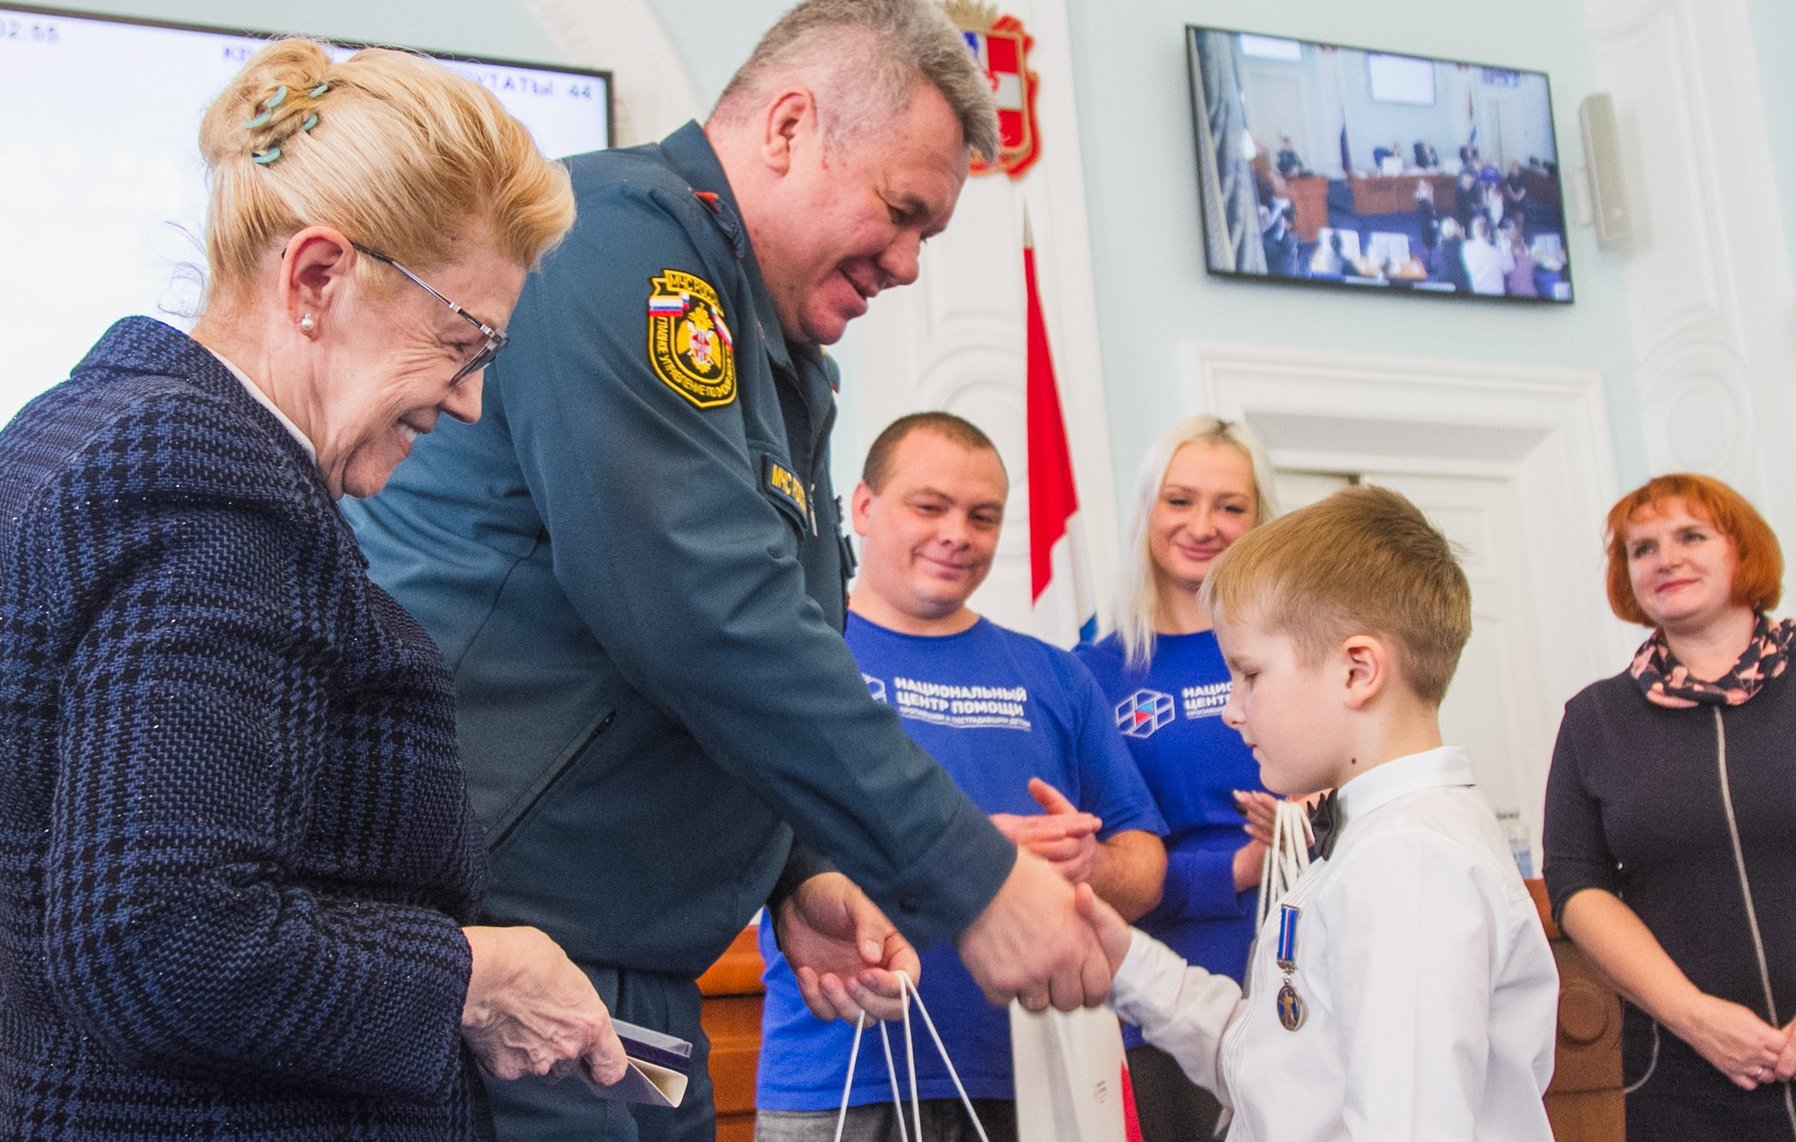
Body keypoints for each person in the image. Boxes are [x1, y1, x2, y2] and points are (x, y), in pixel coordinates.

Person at [343, 3, 1112, 1138]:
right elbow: (700, 610)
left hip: (627, 972)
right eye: (901, 212)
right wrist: (974, 878)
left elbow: (753, 627)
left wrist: (799, 869)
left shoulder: (776, 348)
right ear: (789, 127)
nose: (907, 264)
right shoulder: (625, 250)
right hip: (499, 955)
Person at [0, 39, 629, 1139]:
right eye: (462, 343)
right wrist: (473, 977)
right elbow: (164, 938)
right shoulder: (211, 480)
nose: (469, 402)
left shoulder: (75, 425)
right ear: (317, 277)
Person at [1080, 485, 1559, 1141]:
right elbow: (1276, 1071)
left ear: (1357, 671)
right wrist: (1121, 957)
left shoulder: (1410, 859)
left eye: (1250, 675)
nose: (1231, 709)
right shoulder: (1371, 840)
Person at [754, 413, 1167, 1142]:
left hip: (1032, 1072)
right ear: (862, 506)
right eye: (929, 506)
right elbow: (749, 848)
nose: (956, 535)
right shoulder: (794, 660)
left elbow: (1146, 867)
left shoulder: (1057, 676)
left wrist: (1088, 867)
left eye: (983, 517)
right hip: (836, 1070)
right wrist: (971, 861)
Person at [1542, 474, 1796, 1140]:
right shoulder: (1594, 720)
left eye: (1691, 536)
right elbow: (1576, 882)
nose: (1666, 559)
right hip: (1689, 1080)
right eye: (1642, 548)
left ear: (1744, 551)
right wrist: (1694, 1017)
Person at [1074, 417, 1282, 1142]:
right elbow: (1099, 860)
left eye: (1230, 506)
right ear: (1147, 510)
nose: (1203, 526)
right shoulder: (1094, 672)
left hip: (1304, 975)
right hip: (1161, 996)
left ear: (1260, 519)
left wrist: (1307, 824)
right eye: (1180, 500)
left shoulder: (1300, 650)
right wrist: (1235, 868)